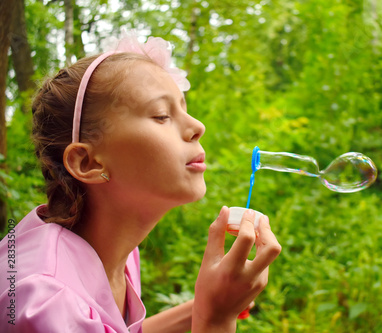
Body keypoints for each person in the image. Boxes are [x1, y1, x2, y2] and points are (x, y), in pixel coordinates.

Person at [0, 33, 281, 332]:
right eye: (162, 115)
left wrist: (205, 304)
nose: (198, 126)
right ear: (88, 163)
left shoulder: (112, 247)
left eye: (184, 109)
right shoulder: (45, 303)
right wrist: (215, 318)